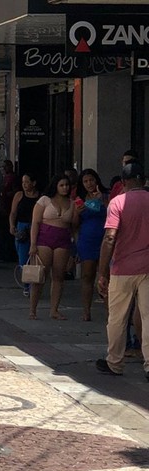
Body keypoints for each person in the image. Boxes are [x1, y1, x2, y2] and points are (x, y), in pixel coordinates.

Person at [95, 162, 149, 378]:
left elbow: (109, 237)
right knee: (148, 316)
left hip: (122, 267)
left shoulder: (118, 202)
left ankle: (115, 363)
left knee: (117, 317)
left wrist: (102, 272)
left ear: (123, 182)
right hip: (148, 267)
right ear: (143, 181)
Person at [28, 174, 78, 320]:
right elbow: (35, 223)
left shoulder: (72, 203)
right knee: (39, 276)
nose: (65, 188)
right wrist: (32, 244)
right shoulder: (44, 200)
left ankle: (54, 309)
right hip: (44, 239)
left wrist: (76, 247)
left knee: (58, 276)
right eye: (61, 185)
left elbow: (74, 227)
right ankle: (32, 309)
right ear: (55, 186)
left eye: (67, 185)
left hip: (63, 240)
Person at [76, 168, 109, 322]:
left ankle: (110, 310)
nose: (89, 183)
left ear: (96, 180)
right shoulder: (80, 199)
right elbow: (74, 224)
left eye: (91, 180)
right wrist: (77, 212)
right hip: (87, 239)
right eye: (85, 181)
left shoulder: (106, 196)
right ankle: (86, 311)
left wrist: (103, 201)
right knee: (87, 275)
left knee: (106, 277)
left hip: (104, 239)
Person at [8, 172, 41, 296]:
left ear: (33, 183)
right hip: (22, 226)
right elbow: (13, 213)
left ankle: (33, 285)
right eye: (23, 182)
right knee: (23, 259)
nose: (25, 185)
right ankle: (27, 284)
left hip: (35, 226)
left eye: (27, 182)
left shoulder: (40, 196)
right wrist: (12, 225)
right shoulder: (19, 195)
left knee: (34, 257)